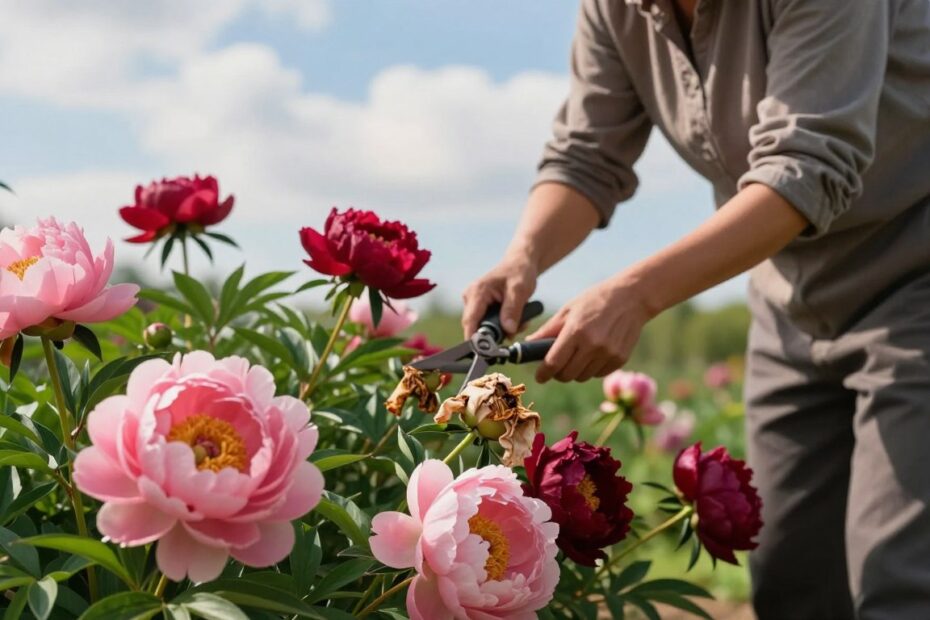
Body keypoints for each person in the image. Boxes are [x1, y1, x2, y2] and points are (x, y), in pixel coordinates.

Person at [461, 0, 930, 618]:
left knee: (900, 582)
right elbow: (585, 157)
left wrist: (635, 293)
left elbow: (807, 166)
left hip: (913, 277)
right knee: (792, 579)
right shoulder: (615, 9)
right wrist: (524, 256)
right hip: (788, 302)